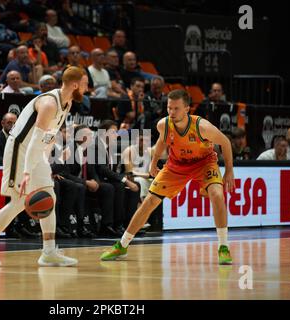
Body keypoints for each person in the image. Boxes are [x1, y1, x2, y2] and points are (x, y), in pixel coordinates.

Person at [100, 89, 235, 265]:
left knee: (217, 195)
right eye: (169, 108)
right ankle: (122, 244)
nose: (171, 112)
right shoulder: (163, 124)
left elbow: (225, 142)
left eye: (176, 108)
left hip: (204, 163)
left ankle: (223, 247)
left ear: (187, 109)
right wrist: (154, 161)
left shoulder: (202, 127)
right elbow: (162, 140)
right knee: (149, 201)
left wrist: (229, 171)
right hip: (176, 165)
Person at [0, 66, 88, 267]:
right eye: (85, 84)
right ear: (75, 84)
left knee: (49, 197)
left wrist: (46, 159)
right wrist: (27, 171)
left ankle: (49, 251)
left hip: (35, 152)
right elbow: (34, 139)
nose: (87, 88)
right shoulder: (50, 103)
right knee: (18, 201)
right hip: (20, 150)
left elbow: (49, 136)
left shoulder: (66, 103)